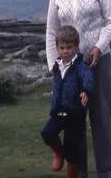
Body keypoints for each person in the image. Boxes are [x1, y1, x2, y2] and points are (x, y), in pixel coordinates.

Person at [46, 0, 111, 178]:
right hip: (71, 69)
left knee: (101, 121)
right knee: (73, 124)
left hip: (98, 62)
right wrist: (54, 65)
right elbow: (51, 30)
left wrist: (98, 46)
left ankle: (106, 173)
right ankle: (79, 174)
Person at [41, 25, 95, 178]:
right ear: (57, 48)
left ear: (76, 47)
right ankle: (59, 153)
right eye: (62, 47)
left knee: (72, 152)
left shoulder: (80, 65)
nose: (65, 51)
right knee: (47, 133)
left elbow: (89, 77)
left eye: (69, 47)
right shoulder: (57, 66)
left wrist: (86, 90)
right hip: (58, 110)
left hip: (75, 114)